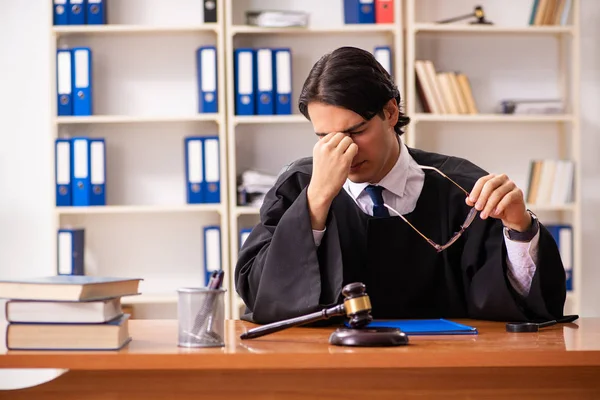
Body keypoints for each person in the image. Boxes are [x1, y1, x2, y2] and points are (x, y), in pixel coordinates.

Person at [234, 46, 567, 325]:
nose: (345, 152)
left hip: (445, 369)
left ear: (390, 112)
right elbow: (260, 294)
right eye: (325, 137)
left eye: (354, 132)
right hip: (329, 367)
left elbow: (523, 306)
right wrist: (316, 202)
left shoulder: (461, 188)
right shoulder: (298, 186)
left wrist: (519, 228)